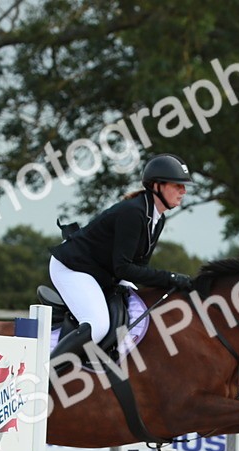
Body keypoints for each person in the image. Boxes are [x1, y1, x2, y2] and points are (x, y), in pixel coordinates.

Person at [47, 153, 197, 369]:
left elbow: (139, 266)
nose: (183, 191)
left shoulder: (156, 218)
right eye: (177, 185)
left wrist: (168, 282)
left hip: (100, 272)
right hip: (73, 268)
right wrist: (170, 278)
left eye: (184, 186)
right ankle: (45, 375)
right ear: (156, 186)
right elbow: (124, 267)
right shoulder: (134, 212)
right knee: (98, 326)